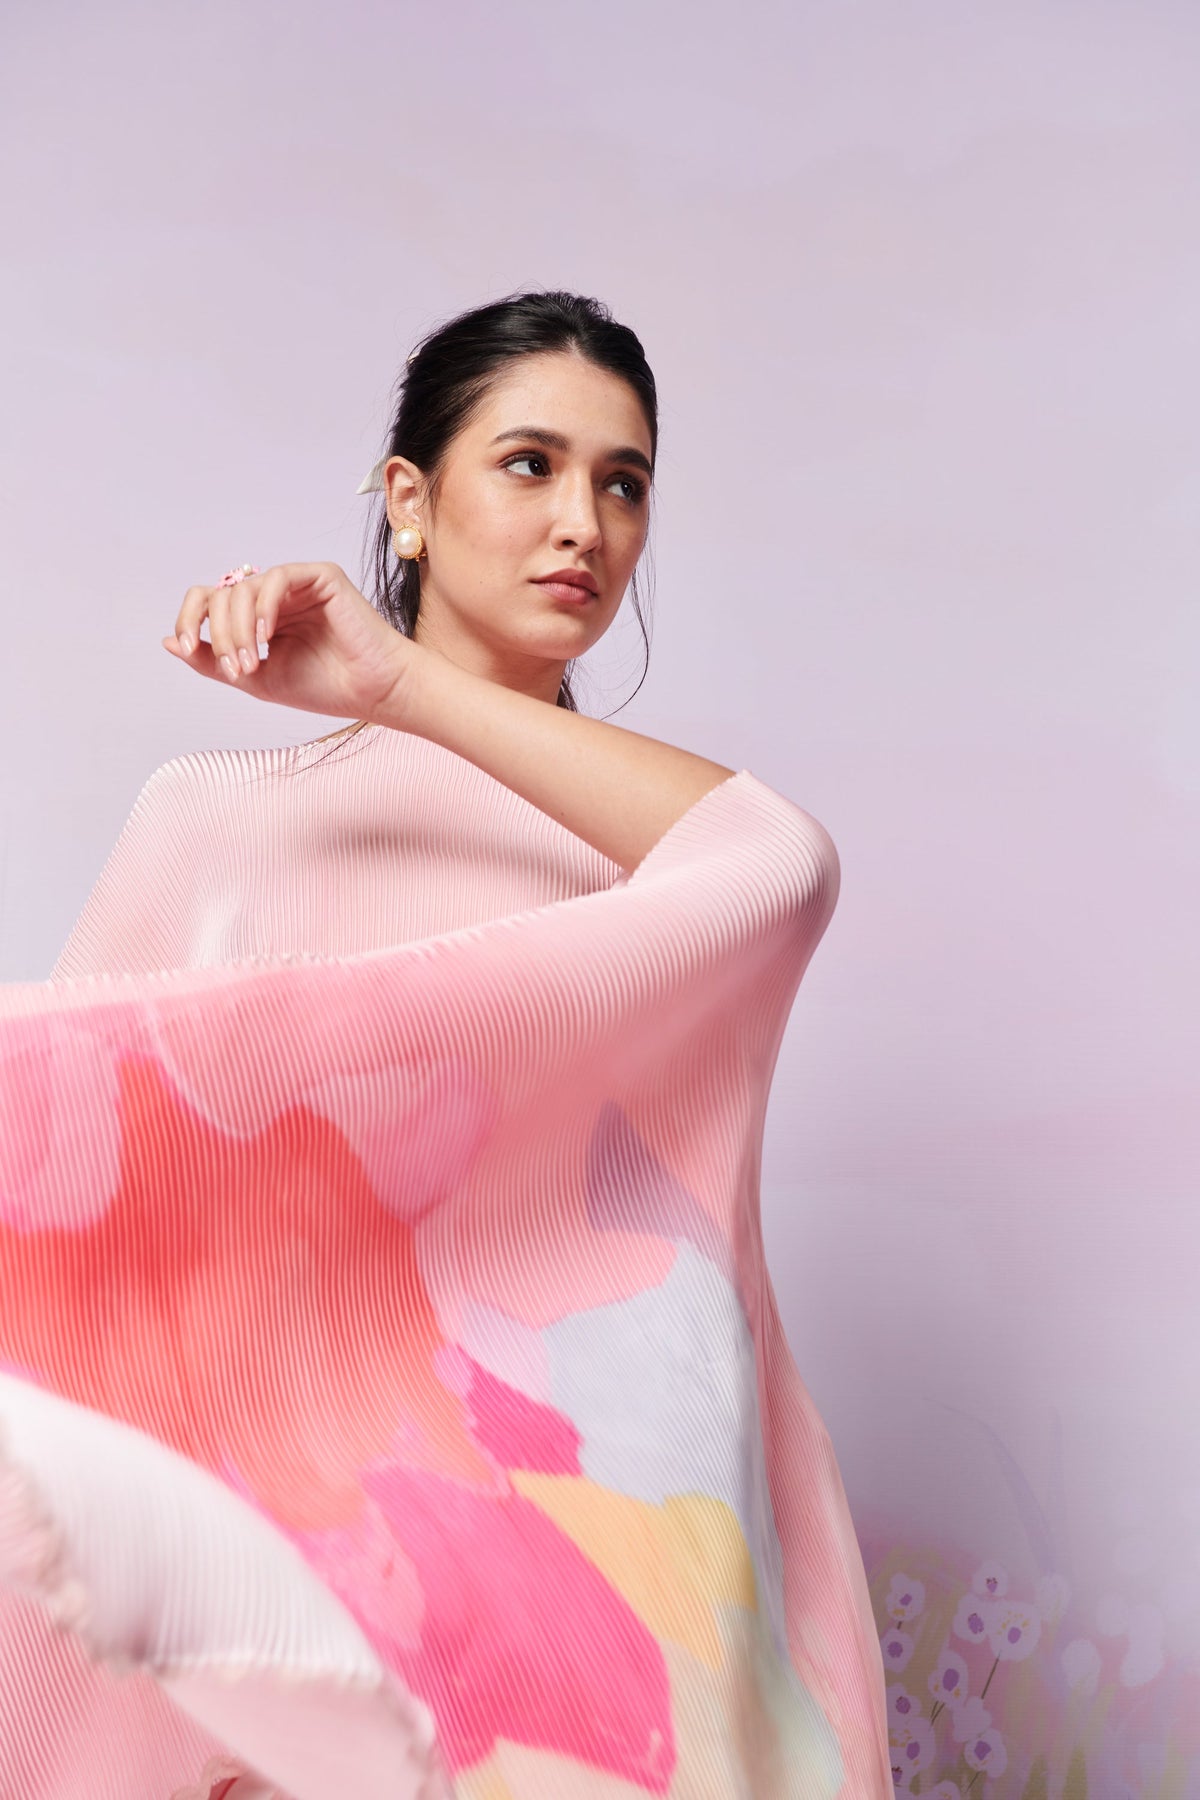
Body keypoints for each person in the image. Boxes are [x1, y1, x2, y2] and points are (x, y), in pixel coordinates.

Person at [0, 290, 891, 1797]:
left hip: (596, 1596)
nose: (585, 525)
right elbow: (52, 1193)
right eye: (530, 464)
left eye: (624, 483)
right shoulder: (218, 822)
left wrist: (402, 686)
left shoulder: (657, 871)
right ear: (409, 503)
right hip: (308, 1595)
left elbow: (786, 863)